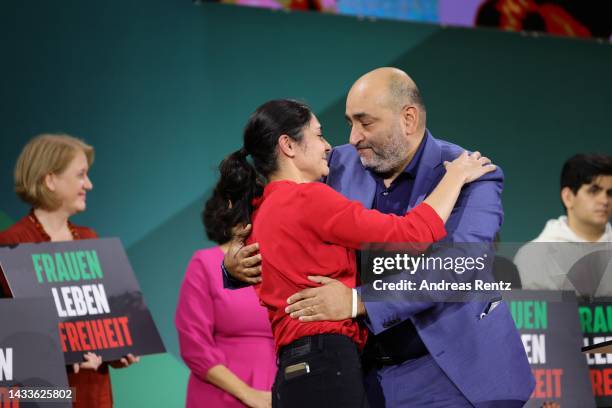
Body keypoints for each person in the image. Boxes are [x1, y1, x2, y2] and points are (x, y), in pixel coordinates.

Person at [224, 68, 535, 407]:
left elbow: (456, 266)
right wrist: (234, 264)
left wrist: (358, 302)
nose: (353, 137)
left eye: (366, 123)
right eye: (349, 123)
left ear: (408, 119)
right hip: (360, 376)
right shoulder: (332, 166)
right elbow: (280, 220)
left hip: (451, 374)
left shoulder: (470, 173)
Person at [0, 134, 139, 408]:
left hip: (93, 392)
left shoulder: (90, 239)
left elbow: (105, 321)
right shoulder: (10, 244)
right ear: (50, 180)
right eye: (80, 175)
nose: (88, 184)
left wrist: (120, 349)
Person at [175, 188, 276, 408]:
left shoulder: (281, 268)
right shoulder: (205, 263)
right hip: (220, 397)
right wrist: (248, 394)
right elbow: (194, 346)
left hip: (278, 393)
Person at [515, 154, 612, 296]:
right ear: (568, 197)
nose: (604, 200)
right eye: (594, 191)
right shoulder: (534, 256)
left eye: (610, 193)